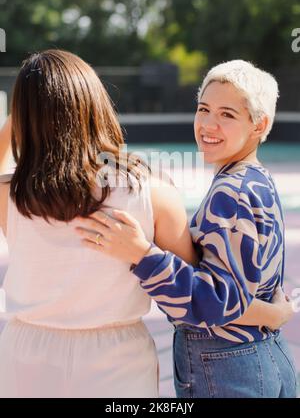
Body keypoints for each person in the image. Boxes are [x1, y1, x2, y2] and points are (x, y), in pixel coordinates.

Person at [75, 60, 297, 398]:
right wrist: (274, 313)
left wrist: (142, 255)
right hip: (266, 354)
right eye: (204, 109)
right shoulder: (258, 180)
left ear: (259, 125)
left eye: (227, 114)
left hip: (227, 364)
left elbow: (218, 302)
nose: (208, 123)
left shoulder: (231, 193)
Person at [0, 48, 195, 398]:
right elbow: (193, 287)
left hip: (24, 352)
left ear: (23, 117)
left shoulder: (10, 195)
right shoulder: (152, 189)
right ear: (95, 105)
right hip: (117, 355)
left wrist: (19, 118)